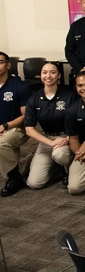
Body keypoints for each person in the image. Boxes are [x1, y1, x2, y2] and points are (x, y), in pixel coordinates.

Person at [24, 63, 78, 190]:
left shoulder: (69, 95)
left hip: (67, 138)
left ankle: (67, 169)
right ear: (41, 75)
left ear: (59, 75)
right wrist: (51, 143)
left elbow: (77, 122)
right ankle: (56, 167)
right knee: (34, 183)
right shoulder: (34, 98)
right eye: (44, 72)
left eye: (53, 72)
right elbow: (29, 129)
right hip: (47, 140)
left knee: (59, 155)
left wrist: (66, 139)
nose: (48, 76)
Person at [0, 52, 33, 196]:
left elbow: (26, 116)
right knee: (6, 153)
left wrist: (5, 126)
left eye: (0, 62)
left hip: (18, 128)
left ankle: (15, 178)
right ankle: (29, 161)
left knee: (2, 144)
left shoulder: (19, 86)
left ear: (8, 65)